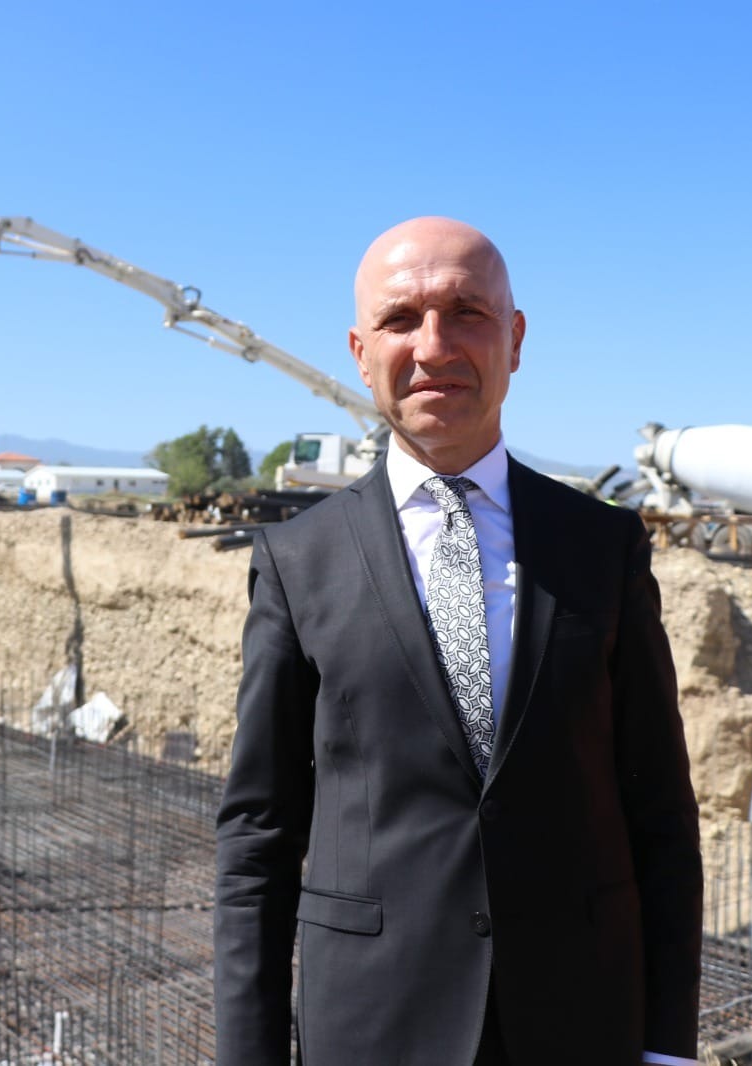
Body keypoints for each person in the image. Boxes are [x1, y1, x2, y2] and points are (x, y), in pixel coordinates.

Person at [213, 217, 702, 1065]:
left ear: (515, 340)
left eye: (467, 312)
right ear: (361, 352)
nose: (434, 346)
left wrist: (668, 1046)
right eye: (401, 319)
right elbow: (260, 833)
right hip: (374, 1026)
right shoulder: (298, 562)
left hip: (580, 1021)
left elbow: (659, 807)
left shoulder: (602, 547)